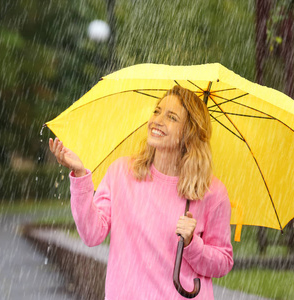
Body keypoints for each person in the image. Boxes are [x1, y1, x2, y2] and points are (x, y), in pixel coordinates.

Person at [49, 85, 233, 299]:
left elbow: (223, 263)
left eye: (172, 117)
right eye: (157, 111)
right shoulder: (121, 173)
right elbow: (92, 234)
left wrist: (192, 244)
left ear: (189, 133)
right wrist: (80, 175)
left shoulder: (212, 192)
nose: (157, 120)